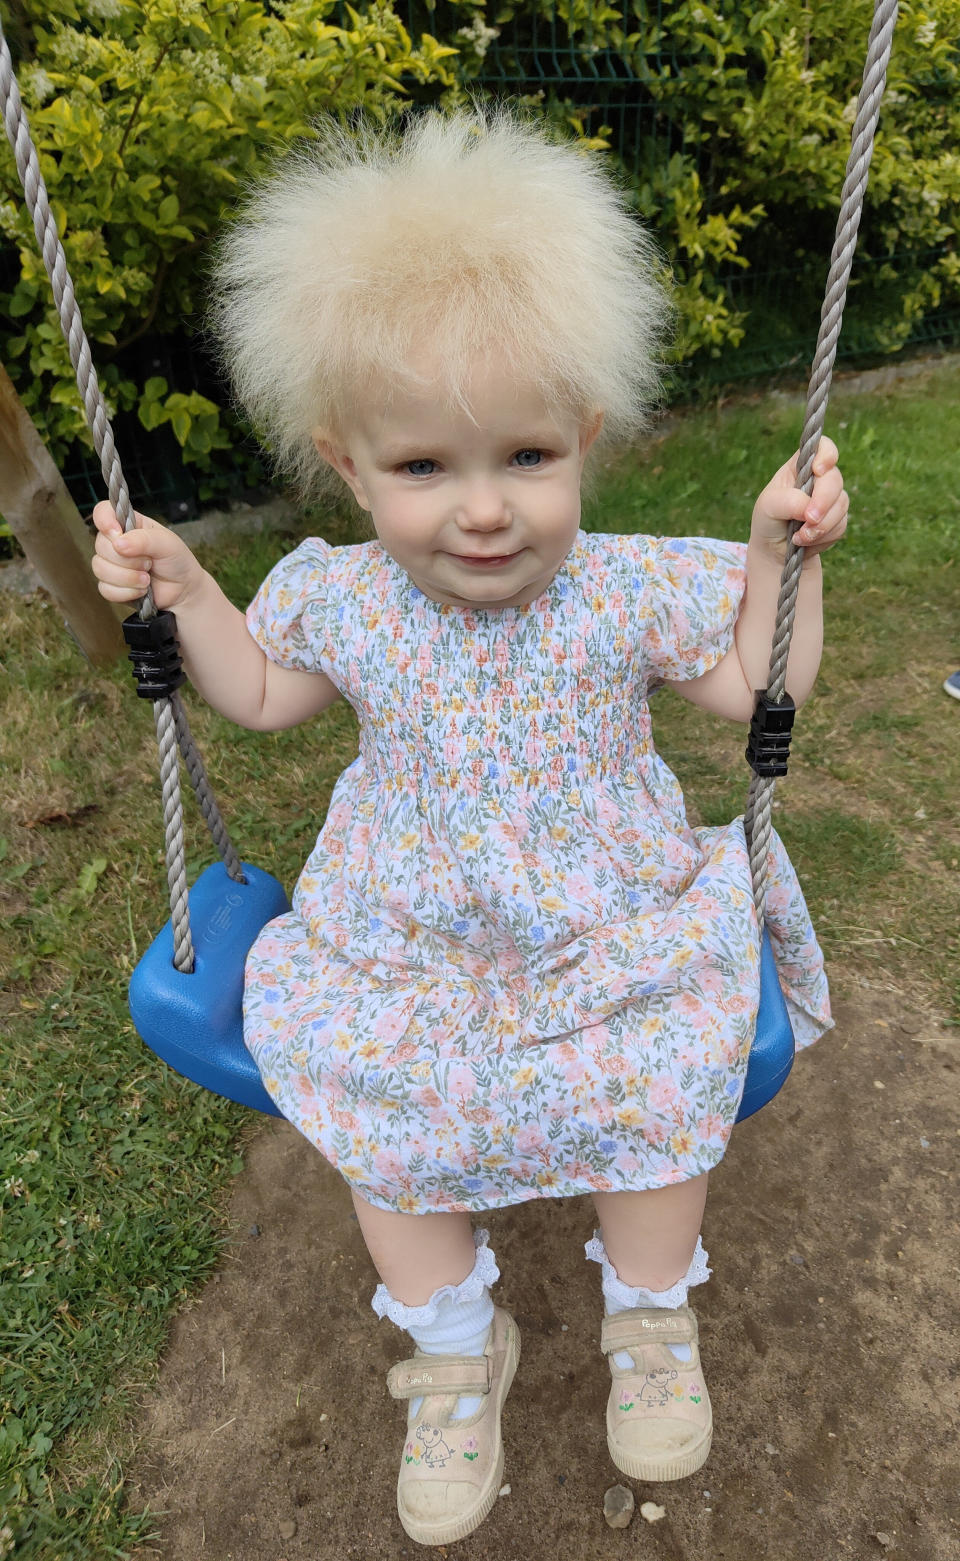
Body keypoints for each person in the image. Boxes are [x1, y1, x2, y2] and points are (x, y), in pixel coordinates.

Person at [90, 101, 847, 1547]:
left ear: (587, 436)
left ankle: (647, 1318)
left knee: (667, 1075)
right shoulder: (346, 596)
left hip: (607, 918)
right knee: (378, 1102)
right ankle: (452, 1343)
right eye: (425, 469)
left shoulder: (624, 588)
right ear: (347, 464)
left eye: (526, 459)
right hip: (411, 934)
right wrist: (188, 594)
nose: (483, 510)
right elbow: (256, 695)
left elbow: (760, 685)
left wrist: (771, 558)